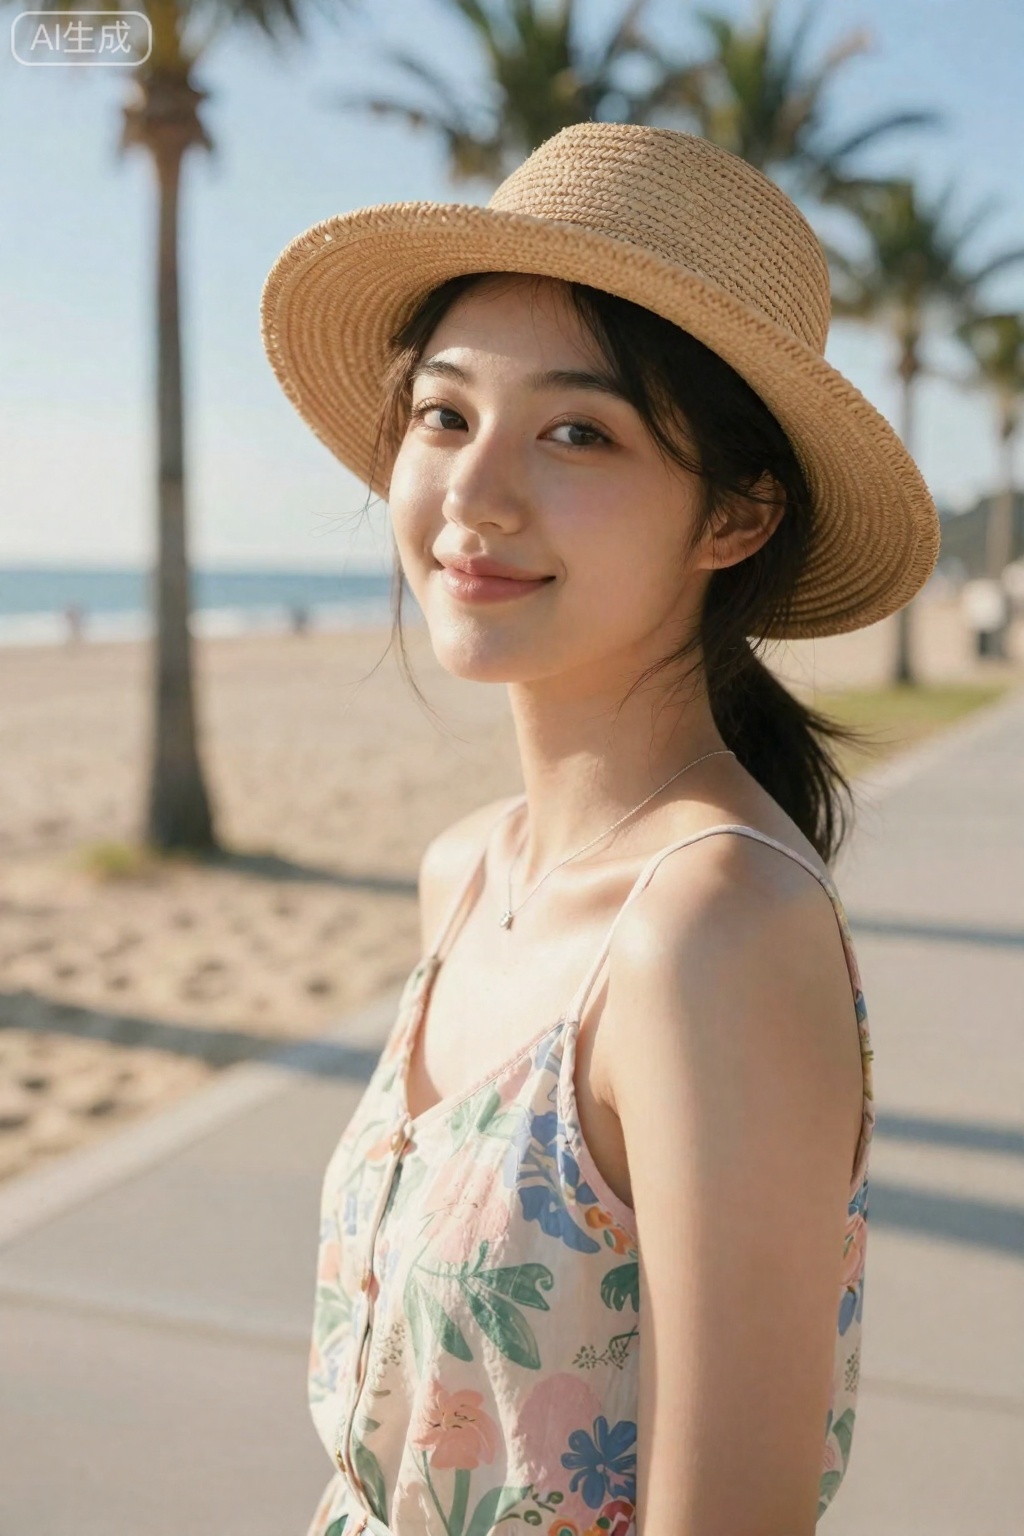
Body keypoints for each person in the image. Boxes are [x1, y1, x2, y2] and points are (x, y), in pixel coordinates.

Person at [261, 124, 939, 1536]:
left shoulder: (713, 930)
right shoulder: (467, 871)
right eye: (445, 415)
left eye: (579, 432)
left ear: (736, 516)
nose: (475, 494)